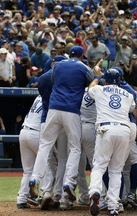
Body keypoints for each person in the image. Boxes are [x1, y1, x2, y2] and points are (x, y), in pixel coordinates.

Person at [28, 46, 94, 205]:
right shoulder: (83, 67)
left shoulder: (58, 66)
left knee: (45, 145)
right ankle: (69, 183)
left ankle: (35, 178)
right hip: (71, 110)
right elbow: (93, 85)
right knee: (75, 148)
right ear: (81, 56)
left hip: (53, 109)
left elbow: (53, 81)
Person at [88, 68, 135, 216]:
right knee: (116, 170)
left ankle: (95, 191)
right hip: (124, 130)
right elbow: (132, 108)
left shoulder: (100, 89)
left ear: (106, 80)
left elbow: (90, 88)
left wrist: (96, 77)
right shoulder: (128, 94)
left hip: (106, 128)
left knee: (99, 166)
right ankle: (113, 206)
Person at [17, 95, 43, 209]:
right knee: (47, 165)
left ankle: (22, 199)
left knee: (28, 171)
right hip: (36, 134)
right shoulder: (52, 97)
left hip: (24, 132)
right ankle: (44, 195)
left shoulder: (38, 97)